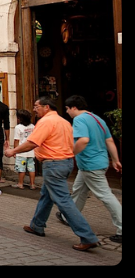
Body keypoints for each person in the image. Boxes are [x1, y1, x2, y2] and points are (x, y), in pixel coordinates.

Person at [4, 97, 100, 252]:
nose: (34, 109)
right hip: (65, 162)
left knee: (63, 201)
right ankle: (37, 225)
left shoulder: (46, 122)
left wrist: (13, 151)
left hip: (54, 164)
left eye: (36, 106)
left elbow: (32, 142)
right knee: (46, 195)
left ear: (46, 107)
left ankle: (87, 236)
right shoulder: (64, 122)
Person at [55, 95, 122, 244]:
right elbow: (109, 140)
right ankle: (68, 216)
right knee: (79, 190)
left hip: (90, 164)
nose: (67, 112)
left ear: (74, 107)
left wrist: (70, 154)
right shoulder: (97, 119)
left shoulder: (79, 120)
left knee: (106, 196)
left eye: (67, 109)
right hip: (98, 162)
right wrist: (116, 160)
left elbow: (83, 140)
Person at [11, 109, 36, 189]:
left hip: (21, 151)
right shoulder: (33, 127)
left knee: (21, 168)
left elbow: (16, 140)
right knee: (31, 168)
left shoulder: (18, 127)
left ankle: (20, 183)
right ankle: (32, 184)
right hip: (31, 151)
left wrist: (15, 151)